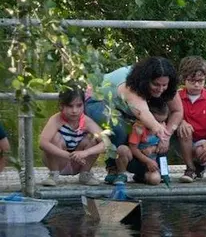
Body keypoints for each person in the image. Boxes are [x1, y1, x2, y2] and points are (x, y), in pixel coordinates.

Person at [85, 57, 183, 185]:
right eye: (156, 84)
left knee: (139, 132)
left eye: (164, 85)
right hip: (97, 99)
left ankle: (140, 170)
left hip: (121, 107)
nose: (160, 89)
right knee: (119, 129)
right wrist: (160, 132)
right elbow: (143, 113)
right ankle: (114, 169)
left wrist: (167, 136)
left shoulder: (167, 87)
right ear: (146, 81)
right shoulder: (130, 86)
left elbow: (177, 111)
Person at [39, 83, 105, 186]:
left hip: (79, 163)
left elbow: (107, 143)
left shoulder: (87, 121)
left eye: (79, 105)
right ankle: (53, 175)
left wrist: (86, 153)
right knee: (54, 137)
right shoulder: (56, 120)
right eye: (70, 106)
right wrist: (68, 155)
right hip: (60, 161)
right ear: (61, 105)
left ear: (84, 104)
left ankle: (85, 174)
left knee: (93, 139)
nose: (75, 111)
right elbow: (43, 143)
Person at [175, 56, 206, 183]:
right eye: (192, 80)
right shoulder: (177, 96)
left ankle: (199, 166)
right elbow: (171, 114)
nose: (196, 84)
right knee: (185, 129)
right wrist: (181, 122)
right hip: (182, 139)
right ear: (184, 79)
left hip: (203, 140)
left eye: (200, 81)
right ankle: (190, 168)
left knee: (202, 152)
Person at [127, 101, 169, 185]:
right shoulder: (139, 128)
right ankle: (141, 175)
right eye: (156, 122)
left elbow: (165, 146)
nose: (160, 125)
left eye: (162, 121)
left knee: (163, 152)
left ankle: (164, 173)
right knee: (154, 180)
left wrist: (154, 148)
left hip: (155, 159)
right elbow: (133, 148)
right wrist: (147, 161)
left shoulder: (162, 126)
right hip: (142, 160)